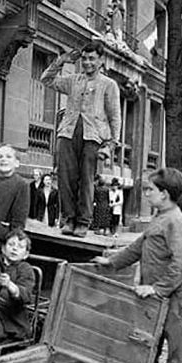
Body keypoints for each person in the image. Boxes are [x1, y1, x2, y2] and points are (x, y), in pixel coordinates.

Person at [93, 167, 182, 363]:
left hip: (177, 297)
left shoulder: (176, 221)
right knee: (145, 346)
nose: (146, 194)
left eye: (150, 190)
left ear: (165, 194)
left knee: (177, 354)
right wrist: (111, 262)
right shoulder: (159, 217)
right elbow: (139, 247)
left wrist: (157, 289)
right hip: (156, 295)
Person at [41, 42, 121, 238]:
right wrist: (61, 61)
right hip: (68, 132)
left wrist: (111, 144)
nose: (87, 62)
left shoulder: (109, 84)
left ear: (101, 61)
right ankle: (68, 219)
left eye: (92, 58)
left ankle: (83, 221)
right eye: (84, 58)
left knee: (86, 180)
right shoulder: (73, 80)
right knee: (65, 178)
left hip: (93, 136)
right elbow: (46, 79)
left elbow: (115, 116)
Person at [0, 229, 35, 344]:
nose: (15, 249)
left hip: (10, 321)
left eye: (20, 247)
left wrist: (10, 285)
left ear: (26, 254)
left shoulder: (25, 269)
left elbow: (25, 295)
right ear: (3, 248)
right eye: (11, 244)